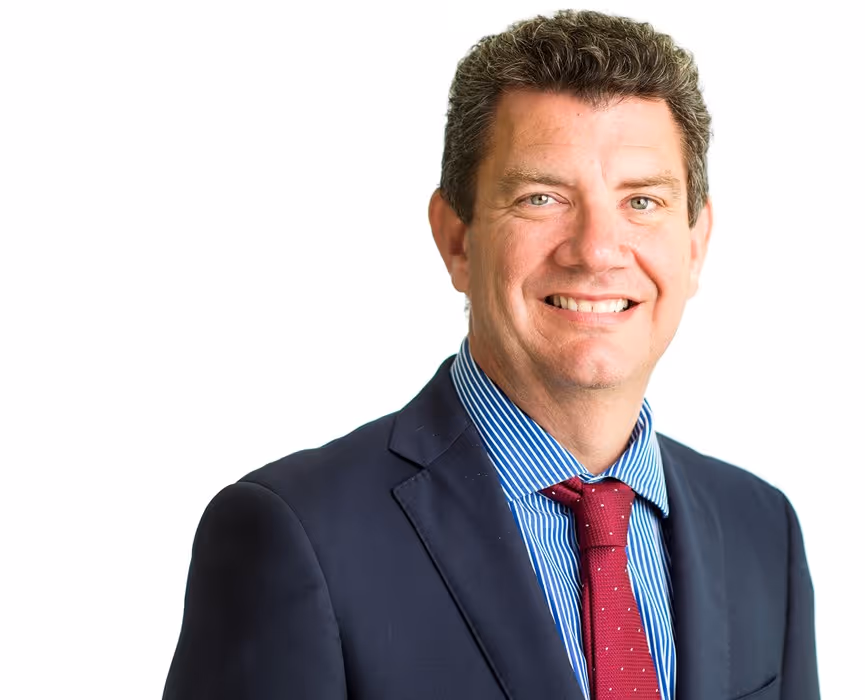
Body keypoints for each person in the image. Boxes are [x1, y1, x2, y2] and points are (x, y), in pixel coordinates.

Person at [163, 10, 819, 700]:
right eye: (542, 197)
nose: (597, 250)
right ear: (456, 239)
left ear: (695, 244)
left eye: (643, 201)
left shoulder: (759, 529)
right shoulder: (297, 536)